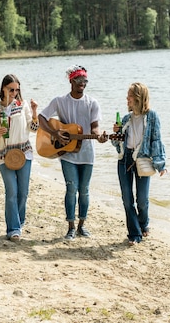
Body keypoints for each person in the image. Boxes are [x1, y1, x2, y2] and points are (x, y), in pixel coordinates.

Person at [38, 64, 108, 240]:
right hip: (67, 153)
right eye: (78, 81)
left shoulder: (92, 103)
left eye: (84, 81)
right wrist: (55, 133)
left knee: (84, 190)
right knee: (71, 189)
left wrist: (99, 136)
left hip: (87, 154)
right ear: (71, 81)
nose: (82, 84)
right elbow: (41, 117)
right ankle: (70, 227)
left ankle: (81, 226)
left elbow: (95, 128)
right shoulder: (59, 101)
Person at [112, 82, 167, 245]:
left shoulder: (152, 116)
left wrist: (160, 164)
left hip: (143, 159)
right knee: (127, 199)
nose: (126, 99)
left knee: (142, 200)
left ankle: (144, 225)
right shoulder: (126, 119)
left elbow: (156, 140)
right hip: (125, 160)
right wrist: (116, 134)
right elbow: (117, 145)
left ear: (138, 98)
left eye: (129, 96)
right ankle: (134, 234)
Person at [0, 74, 39, 242]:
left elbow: (33, 128)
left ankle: (19, 223)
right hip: (3, 154)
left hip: (23, 153)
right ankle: (13, 229)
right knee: (12, 191)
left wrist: (35, 111)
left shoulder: (23, 106)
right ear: (3, 88)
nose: (14, 93)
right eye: (11, 89)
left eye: (17, 90)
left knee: (23, 192)